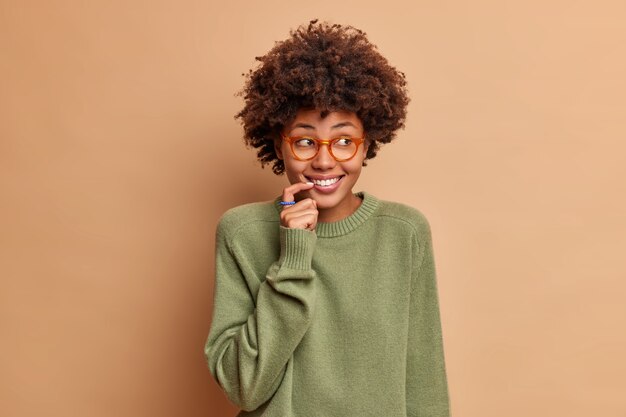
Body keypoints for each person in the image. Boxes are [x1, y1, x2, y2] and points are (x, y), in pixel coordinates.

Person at [205, 20, 450, 417]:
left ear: (367, 143)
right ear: (277, 144)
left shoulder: (404, 233)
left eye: (343, 141)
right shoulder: (242, 233)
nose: (323, 160)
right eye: (304, 141)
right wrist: (293, 257)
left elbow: (424, 379)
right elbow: (243, 388)